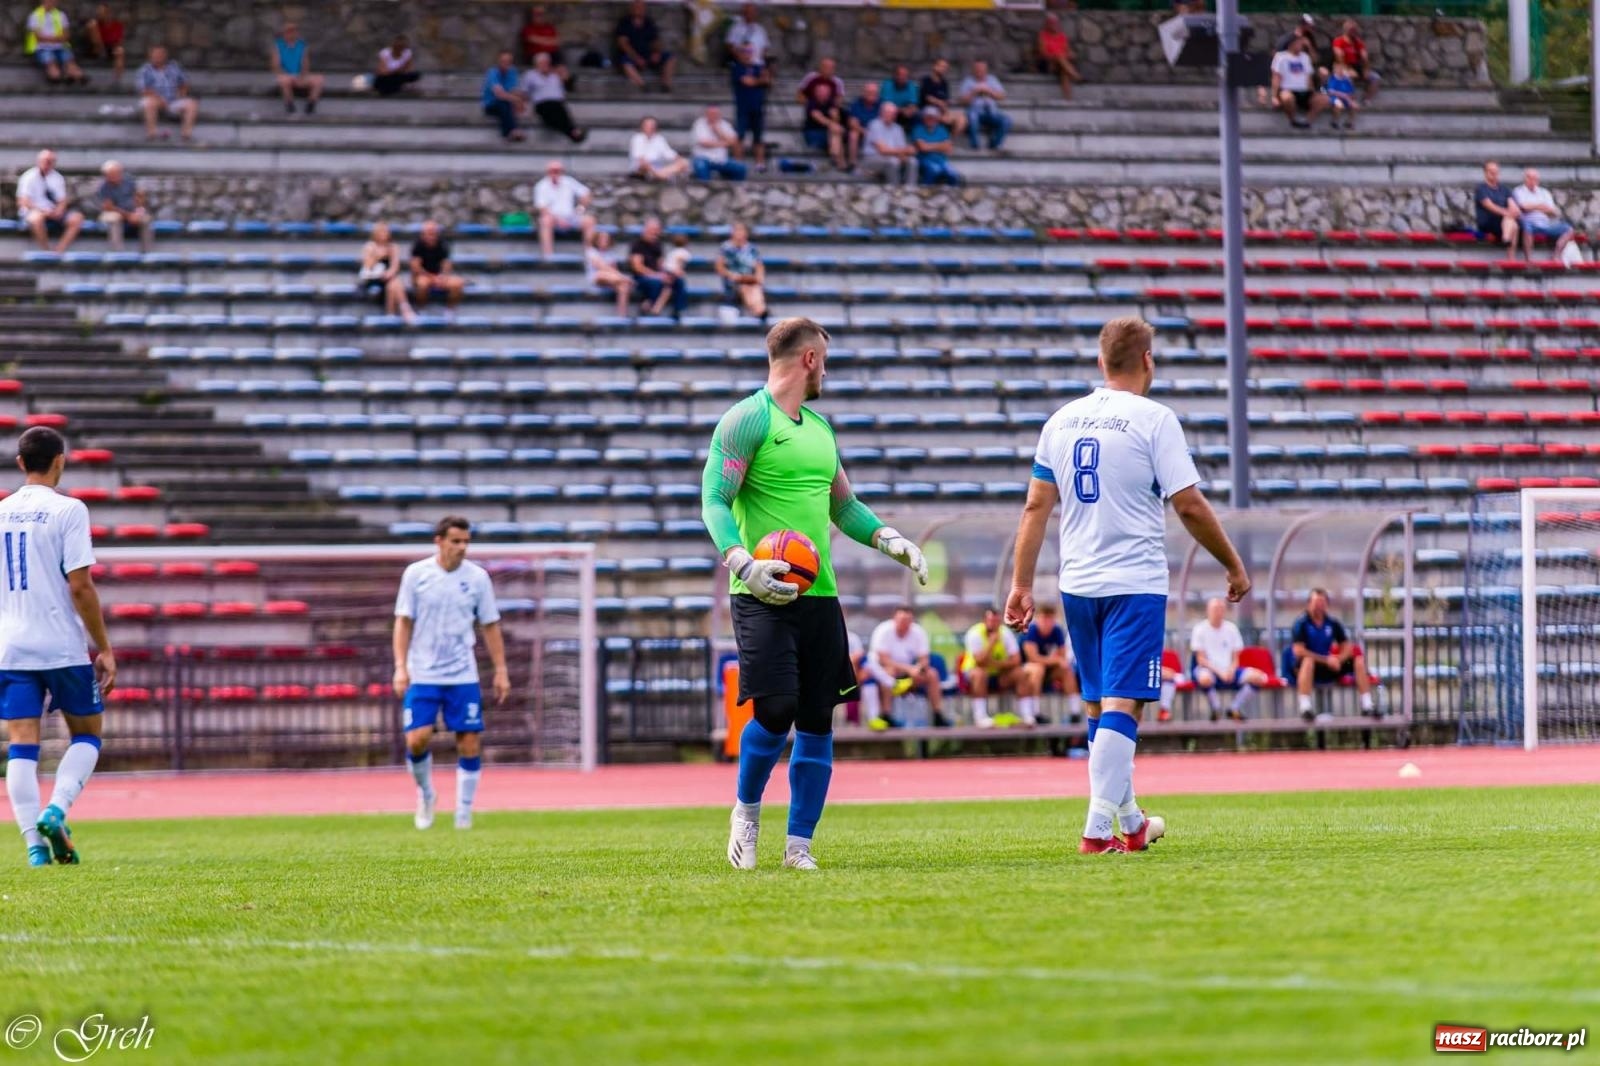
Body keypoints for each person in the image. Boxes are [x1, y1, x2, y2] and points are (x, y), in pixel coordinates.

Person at [1005, 315, 1251, 853]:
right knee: (1125, 705)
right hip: (1133, 582)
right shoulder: (1154, 419)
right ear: (1147, 361)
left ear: (1101, 361)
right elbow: (1189, 504)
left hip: (1077, 583)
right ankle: (1096, 832)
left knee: (1100, 707)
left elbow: (1035, 507)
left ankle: (1132, 823)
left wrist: (1022, 584)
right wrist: (1233, 565)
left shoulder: (1060, 422)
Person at [702, 317, 929, 871]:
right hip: (760, 590)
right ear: (809, 359)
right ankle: (746, 812)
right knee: (775, 708)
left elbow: (843, 507)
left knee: (817, 719)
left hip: (819, 595)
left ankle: (798, 846)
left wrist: (889, 538)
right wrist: (742, 561)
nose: (825, 371)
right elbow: (714, 499)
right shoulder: (746, 419)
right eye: (823, 360)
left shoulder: (822, 430)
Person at [0, 426, 117, 867]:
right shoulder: (69, 510)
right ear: (60, 461)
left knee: (21, 745)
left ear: (20, 463)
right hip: (60, 646)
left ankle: (34, 847)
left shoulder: (1, 512)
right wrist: (104, 647)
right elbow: (80, 586)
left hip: (11, 647)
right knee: (87, 734)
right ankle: (56, 810)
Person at [393, 515, 511, 832]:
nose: (462, 547)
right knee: (416, 739)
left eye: (466, 542)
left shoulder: (478, 578)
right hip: (423, 672)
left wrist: (501, 670)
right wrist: (401, 666)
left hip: (462, 674)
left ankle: (463, 813)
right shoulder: (416, 574)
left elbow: (490, 624)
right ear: (439, 541)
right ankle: (426, 794)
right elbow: (403, 621)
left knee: (469, 742)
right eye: (456, 541)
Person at [1289, 588, 1375, 720]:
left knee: (1358, 660)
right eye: (1316, 602)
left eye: (1322, 602)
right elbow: (1298, 651)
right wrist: (1326, 660)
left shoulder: (1332, 623)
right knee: (1307, 662)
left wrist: (1339, 659)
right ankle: (1305, 707)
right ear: (1309, 603)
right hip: (1309, 667)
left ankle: (1367, 704)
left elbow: (1347, 646)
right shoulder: (1301, 623)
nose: (1319, 606)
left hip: (1329, 665)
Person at [1189, 597, 1268, 721]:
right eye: (1215, 609)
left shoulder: (1231, 628)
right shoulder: (1200, 629)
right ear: (1208, 610)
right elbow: (1201, 659)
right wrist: (1220, 672)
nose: (1218, 612)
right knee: (1205, 678)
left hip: (1229, 669)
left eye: (1221, 609)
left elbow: (1236, 658)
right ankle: (1216, 707)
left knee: (1259, 678)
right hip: (1209, 669)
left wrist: (1231, 670)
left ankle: (1234, 708)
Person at [866, 607, 945, 728]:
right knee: (888, 673)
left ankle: (937, 714)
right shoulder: (883, 631)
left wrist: (919, 668)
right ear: (894, 619)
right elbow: (883, 660)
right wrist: (908, 669)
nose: (904, 623)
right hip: (889, 671)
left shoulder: (918, 632)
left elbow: (924, 659)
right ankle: (886, 714)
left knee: (932, 674)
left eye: (908, 620)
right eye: (902, 620)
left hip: (910, 674)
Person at [959, 607, 1031, 728]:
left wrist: (994, 664)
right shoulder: (974, 634)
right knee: (980, 673)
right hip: (974, 676)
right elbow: (979, 662)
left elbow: (1016, 660)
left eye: (996, 621)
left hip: (998, 674)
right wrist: (991, 644)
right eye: (991, 621)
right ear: (984, 621)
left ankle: (1027, 716)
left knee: (1020, 673)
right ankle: (980, 717)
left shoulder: (1005, 633)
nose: (994, 624)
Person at [1022, 603, 1082, 725]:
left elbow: (1062, 655)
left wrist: (1055, 660)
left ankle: (1075, 712)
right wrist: (1054, 660)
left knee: (1066, 669)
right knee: (1038, 669)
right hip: (1026, 669)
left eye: (1050, 619)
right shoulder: (1031, 631)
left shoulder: (1057, 630)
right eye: (1044, 618)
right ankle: (1035, 713)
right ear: (1038, 618)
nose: (1047, 623)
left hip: (1047, 669)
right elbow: (1032, 658)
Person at [16, 149, 84, 254]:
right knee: (36, 218)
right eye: (45, 160)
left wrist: (59, 211)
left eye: (50, 161)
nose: (47, 163)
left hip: (52, 212)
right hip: (34, 211)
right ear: (38, 161)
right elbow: (23, 201)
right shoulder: (28, 177)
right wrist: (43, 211)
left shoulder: (57, 178)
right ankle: (46, 251)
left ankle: (59, 250)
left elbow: (62, 200)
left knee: (77, 218)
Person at [1512, 167, 1579, 266]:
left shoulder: (1544, 192)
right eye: (1531, 178)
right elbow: (1523, 207)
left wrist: (1533, 207)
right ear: (1525, 179)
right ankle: (1528, 259)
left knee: (1568, 229)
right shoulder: (1518, 191)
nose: (1533, 181)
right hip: (1528, 223)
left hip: (1545, 224)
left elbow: (1552, 211)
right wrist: (1540, 206)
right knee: (1527, 225)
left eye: (1536, 179)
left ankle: (1556, 255)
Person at [136, 45, 199, 142]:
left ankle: (186, 134)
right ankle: (151, 134)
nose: (158, 56)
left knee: (192, 104)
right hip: (154, 100)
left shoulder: (174, 67)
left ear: (165, 55)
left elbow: (184, 83)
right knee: (148, 103)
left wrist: (182, 92)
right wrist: (159, 99)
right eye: (156, 54)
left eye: (161, 54)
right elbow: (143, 90)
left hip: (173, 100)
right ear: (150, 56)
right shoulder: (145, 70)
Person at [533, 160, 594, 259]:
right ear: (548, 172)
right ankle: (548, 255)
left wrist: (580, 209)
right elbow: (543, 208)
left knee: (589, 220)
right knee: (545, 221)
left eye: (557, 171)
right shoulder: (541, 186)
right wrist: (559, 220)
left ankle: (590, 254)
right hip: (553, 218)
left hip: (571, 217)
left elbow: (586, 193)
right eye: (552, 171)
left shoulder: (569, 181)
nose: (555, 173)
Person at [629, 217, 688, 319]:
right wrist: (656, 275)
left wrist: (670, 273)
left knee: (678, 281)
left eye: (657, 231)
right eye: (653, 230)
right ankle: (647, 306)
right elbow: (637, 267)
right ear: (646, 229)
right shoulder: (637, 245)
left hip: (657, 275)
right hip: (642, 277)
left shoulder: (658, 245)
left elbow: (661, 264)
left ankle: (677, 311)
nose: (655, 233)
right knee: (657, 283)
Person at [359, 221, 416, 324]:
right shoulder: (369, 246)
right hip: (373, 278)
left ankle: (391, 314)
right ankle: (405, 308)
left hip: (388, 277)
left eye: (386, 231)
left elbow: (395, 266)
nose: (384, 234)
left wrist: (388, 274)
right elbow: (368, 266)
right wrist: (378, 256)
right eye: (381, 231)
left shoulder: (393, 247)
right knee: (395, 282)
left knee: (392, 284)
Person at [521, 52, 585, 143]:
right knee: (554, 111)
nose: (545, 65)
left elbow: (570, 88)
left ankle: (572, 132)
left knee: (558, 111)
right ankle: (573, 131)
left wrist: (565, 76)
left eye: (547, 63)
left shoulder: (555, 75)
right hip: (542, 104)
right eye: (542, 63)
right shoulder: (530, 75)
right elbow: (524, 92)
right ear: (536, 64)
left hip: (558, 104)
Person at [614, 0, 675, 92]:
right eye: (636, 7)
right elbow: (623, 44)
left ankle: (666, 84)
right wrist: (636, 58)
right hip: (632, 56)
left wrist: (656, 53)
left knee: (670, 57)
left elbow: (655, 41)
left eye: (641, 8)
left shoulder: (648, 23)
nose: (638, 9)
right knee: (625, 62)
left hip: (647, 54)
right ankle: (643, 85)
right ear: (631, 9)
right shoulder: (624, 23)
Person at [729, 43, 771, 173]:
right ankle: (738, 164)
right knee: (740, 136)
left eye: (750, 51)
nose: (747, 54)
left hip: (758, 107)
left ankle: (760, 164)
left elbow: (768, 81)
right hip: (743, 108)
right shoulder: (736, 68)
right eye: (744, 51)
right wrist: (760, 80)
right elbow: (748, 81)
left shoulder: (758, 67)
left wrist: (764, 74)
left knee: (758, 137)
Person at [409, 220, 467, 311]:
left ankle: (450, 310)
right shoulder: (418, 245)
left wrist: (442, 276)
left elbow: (446, 264)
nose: (431, 236)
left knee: (458, 283)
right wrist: (432, 278)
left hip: (439, 277)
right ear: (423, 234)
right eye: (429, 233)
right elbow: (416, 267)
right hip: (424, 276)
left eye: (433, 233)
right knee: (422, 284)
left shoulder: (443, 245)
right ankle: (421, 309)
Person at [25, 0, 87, 85]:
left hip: (60, 47)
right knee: (51, 65)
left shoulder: (61, 15)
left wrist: (52, 39)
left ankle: (74, 76)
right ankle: (56, 76)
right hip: (43, 48)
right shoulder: (35, 15)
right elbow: (38, 37)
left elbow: (66, 35)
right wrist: (57, 39)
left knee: (70, 63)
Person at [715, 222, 766, 322]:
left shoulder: (752, 248)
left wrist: (759, 277)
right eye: (737, 231)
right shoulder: (726, 248)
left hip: (749, 279)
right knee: (746, 287)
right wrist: (731, 275)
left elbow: (759, 266)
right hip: (734, 280)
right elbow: (719, 267)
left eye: (741, 231)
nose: (739, 233)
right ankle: (759, 311)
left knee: (755, 287)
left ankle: (760, 310)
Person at [96, 159, 150, 253]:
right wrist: (128, 216)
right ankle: (117, 252)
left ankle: (146, 252)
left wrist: (138, 212)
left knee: (145, 219)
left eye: (116, 173)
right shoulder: (103, 187)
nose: (114, 176)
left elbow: (140, 199)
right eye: (110, 174)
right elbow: (109, 207)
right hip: (113, 212)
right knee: (114, 218)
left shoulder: (130, 182)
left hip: (131, 212)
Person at [1270, 36, 1324, 130]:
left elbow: (1308, 76)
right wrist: (1274, 97)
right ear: (1291, 44)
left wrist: (1312, 90)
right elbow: (1276, 77)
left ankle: (1307, 121)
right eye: (1298, 43)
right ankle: (1293, 120)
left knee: (1323, 99)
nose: (1301, 46)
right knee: (1287, 98)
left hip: (1304, 90)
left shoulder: (1305, 57)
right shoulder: (1281, 56)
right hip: (1287, 89)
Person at [271, 21, 324, 116]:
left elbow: (305, 64)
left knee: (319, 79)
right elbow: (276, 66)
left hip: (299, 76)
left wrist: (302, 76)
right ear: (284, 33)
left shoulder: (302, 45)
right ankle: (290, 106)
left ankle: (310, 106)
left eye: (293, 31)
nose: (291, 34)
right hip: (285, 76)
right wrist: (288, 76)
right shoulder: (278, 45)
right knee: (284, 81)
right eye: (288, 32)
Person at [800, 77, 852, 171]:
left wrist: (835, 117)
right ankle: (840, 162)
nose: (823, 94)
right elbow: (819, 118)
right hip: (814, 134)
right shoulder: (811, 104)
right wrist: (834, 125)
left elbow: (840, 119)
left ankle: (836, 159)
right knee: (835, 130)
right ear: (816, 93)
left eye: (826, 92)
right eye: (821, 92)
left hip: (831, 134)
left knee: (835, 131)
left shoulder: (832, 104)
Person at [958, 60, 1011, 151]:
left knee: (1006, 120)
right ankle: (975, 146)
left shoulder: (992, 79)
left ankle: (994, 145)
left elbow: (1002, 96)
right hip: (975, 111)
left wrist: (989, 91)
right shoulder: (968, 81)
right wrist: (974, 92)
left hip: (992, 111)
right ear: (973, 70)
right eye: (977, 69)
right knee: (972, 117)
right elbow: (962, 101)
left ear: (986, 70)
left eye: (982, 69)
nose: (980, 71)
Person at [860, 102, 915, 186]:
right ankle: (894, 189)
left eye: (893, 113)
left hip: (892, 157)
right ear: (881, 113)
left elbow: (902, 149)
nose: (890, 115)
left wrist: (903, 154)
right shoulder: (874, 125)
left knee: (913, 161)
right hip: (872, 158)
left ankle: (910, 188)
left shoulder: (898, 128)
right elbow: (883, 150)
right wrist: (904, 151)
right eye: (887, 112)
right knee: (893, 162)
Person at [584, 231, 634, 317]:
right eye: (602, 239)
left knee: (624, 286)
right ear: (596, 240)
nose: (604, 241)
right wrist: (622, 277)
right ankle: (626, 280)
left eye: (606, 239)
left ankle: (622, 315)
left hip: (611, 280)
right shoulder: (591, 251)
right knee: (601, 273)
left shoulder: (611, 254)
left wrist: (619, 277)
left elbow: (614, 270)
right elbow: (600, 266)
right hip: (597, 278)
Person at [690, 104, 746, 181]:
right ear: (706, 114)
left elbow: (734, 142)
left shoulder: (725, 124)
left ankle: (733, 187)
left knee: (741, 168)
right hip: (703, 158)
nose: (713, 116)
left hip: (722, 159)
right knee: (700, 166)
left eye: (715, 114)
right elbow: (704, 143)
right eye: (711, 113)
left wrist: (718, 132)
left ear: (719, 114)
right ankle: (705, 187)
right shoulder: (699, 124)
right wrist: (725, 143)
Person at [1474, 160, 1520, 252]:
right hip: (1488, 222)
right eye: (1491, 171)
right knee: (1511, 222)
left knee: (1514, 225)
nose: (1494, 173)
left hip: (1504, 222)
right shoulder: (1481, 189)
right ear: (1485, 173)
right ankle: (1509, 253)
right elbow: (1490, 206)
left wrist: (1515, 211)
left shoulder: (1504, 189)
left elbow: (1512, 204)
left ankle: (1506, 240)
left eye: (1495, 171)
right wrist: (1507, 213)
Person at [519, 4, 570, 87]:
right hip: (535, 55)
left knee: (562, 66)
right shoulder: (528, 28)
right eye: (537, 14)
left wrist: (541, 40)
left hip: (553, 54)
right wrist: (548, 40)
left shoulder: (550, 28)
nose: (540, 16)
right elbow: (531, 39)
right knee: (544, 62)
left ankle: (564, 85)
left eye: (542, 14)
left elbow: (557, 41)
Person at [481, 50, 525, 143]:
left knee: (507, 104)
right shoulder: (492, 73)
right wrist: (516, 100)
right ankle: (511, 131)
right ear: (499, 61)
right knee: (503, 103)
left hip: (507, 104)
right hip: (491, 105)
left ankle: (510, 133)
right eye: (503, 61)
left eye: (509, 61)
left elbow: (514, 90)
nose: (506, 63)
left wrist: (520, 100)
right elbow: (499, 94)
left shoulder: (512, 72)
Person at [916, 58, 966, 139]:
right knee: (933, 113)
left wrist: (945, 110)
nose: (944, 69)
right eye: (942, 66)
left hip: (940, 111)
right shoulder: (926, 80)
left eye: (946, 67)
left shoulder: (944, 83)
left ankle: (950, 140)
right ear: (935, 66)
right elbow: (927, 97)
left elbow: (945, 101)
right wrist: (939, 103)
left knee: (962, 118)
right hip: (926, 110)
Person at [628, 116, 690, 181]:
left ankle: (659, 176)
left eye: (653, 125)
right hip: (642, 170)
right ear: (642, 127)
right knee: (643, 166)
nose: (651, 127)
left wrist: (681, 160)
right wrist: (653, 170)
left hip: (659, 169)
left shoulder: (659, 139)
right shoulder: (637, 138)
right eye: (648, 125)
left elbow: (669, 153)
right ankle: (660, 176)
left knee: (684, 163)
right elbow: (640, 159)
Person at [1331, 19, 1379, 102]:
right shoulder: (1338, 41)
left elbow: (1365, 57)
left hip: (1356, 66)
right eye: (1351, 30)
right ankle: (1350, 100)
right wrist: (1346, 69)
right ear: (1345, 30)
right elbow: (1339, 56)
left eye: (1355, 30)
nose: (1354, 32)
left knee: (1375, 78)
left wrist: (1366, 69)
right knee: (1349, 76)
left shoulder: (1358, 42)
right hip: (1342, 66)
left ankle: (1366, 100)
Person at [914, 107, 961, 187]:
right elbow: (923, 148)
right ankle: (926, 190)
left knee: (953, 173)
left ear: (936, 119)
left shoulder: (942, 130)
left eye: (933, 117)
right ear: (924, 118)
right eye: (928, 117)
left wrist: (929, 145)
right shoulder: (918, 129)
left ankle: (952, 193)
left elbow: (948, 148)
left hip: (941, 160)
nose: (931, 119)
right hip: (925, 159)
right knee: (934, 170)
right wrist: (940, 146)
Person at [1036, 13, 1080, 99]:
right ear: (1047, 24)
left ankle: (1068, 100)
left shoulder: (1062, 36)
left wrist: (1071, 54)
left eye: (1055, 23)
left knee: (1064, 73)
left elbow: (1068, 51)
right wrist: (1056, 56)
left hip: (1062, 64)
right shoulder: (1043, 35)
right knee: (1059, 56)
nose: (1054, 25)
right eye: (1051, 23)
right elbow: (1043, 53)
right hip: (1049, 64)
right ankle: (1076, 76)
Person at [84, 4, 124, 81]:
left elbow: (118, 42)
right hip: (96, 49)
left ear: (108, 13)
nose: (99, 14)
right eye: (99, 12)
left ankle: (117, 80)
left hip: (109, 48)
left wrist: (116, 49)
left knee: (120, 51)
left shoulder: (117, 25)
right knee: (92, 25)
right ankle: (102, 53)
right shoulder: (95, 24)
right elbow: (88, 36)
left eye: (102, 12)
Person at [725, 2, 769, 66]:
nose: (750, 14)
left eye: (753, 12)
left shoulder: (760, 29)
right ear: (743, 13)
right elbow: (730, 45)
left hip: (757, 64)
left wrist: (759, 58)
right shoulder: (735, 28)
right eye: (748, 12)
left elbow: (765, 47)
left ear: (756, 13)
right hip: (741, 64)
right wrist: (741, 58)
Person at [879, 64, 920, 136]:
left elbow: (913, 103)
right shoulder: (888, 85)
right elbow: (887, 104)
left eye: (905, 75)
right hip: (891, 112)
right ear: (895, 75)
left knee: (917, 114)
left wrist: (911, 110)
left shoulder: (911, 85)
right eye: (900, 74)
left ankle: (914, 138)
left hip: (905, 113)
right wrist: (902, 110)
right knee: (889, 112)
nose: (902, 77)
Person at [1324, 62, 1357, 131]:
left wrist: (1350, 97)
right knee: (1339, 105)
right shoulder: (1332, 78)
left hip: (1346, 98)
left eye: (1342, 69)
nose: (1341, 70)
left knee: (1354, 105)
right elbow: (1330, 91)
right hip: (1335, 97)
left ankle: (1349, 122)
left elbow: (1351, 91)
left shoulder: (1347, 80)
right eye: (1338, 68)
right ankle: (1335, 121)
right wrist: (1343, 95)